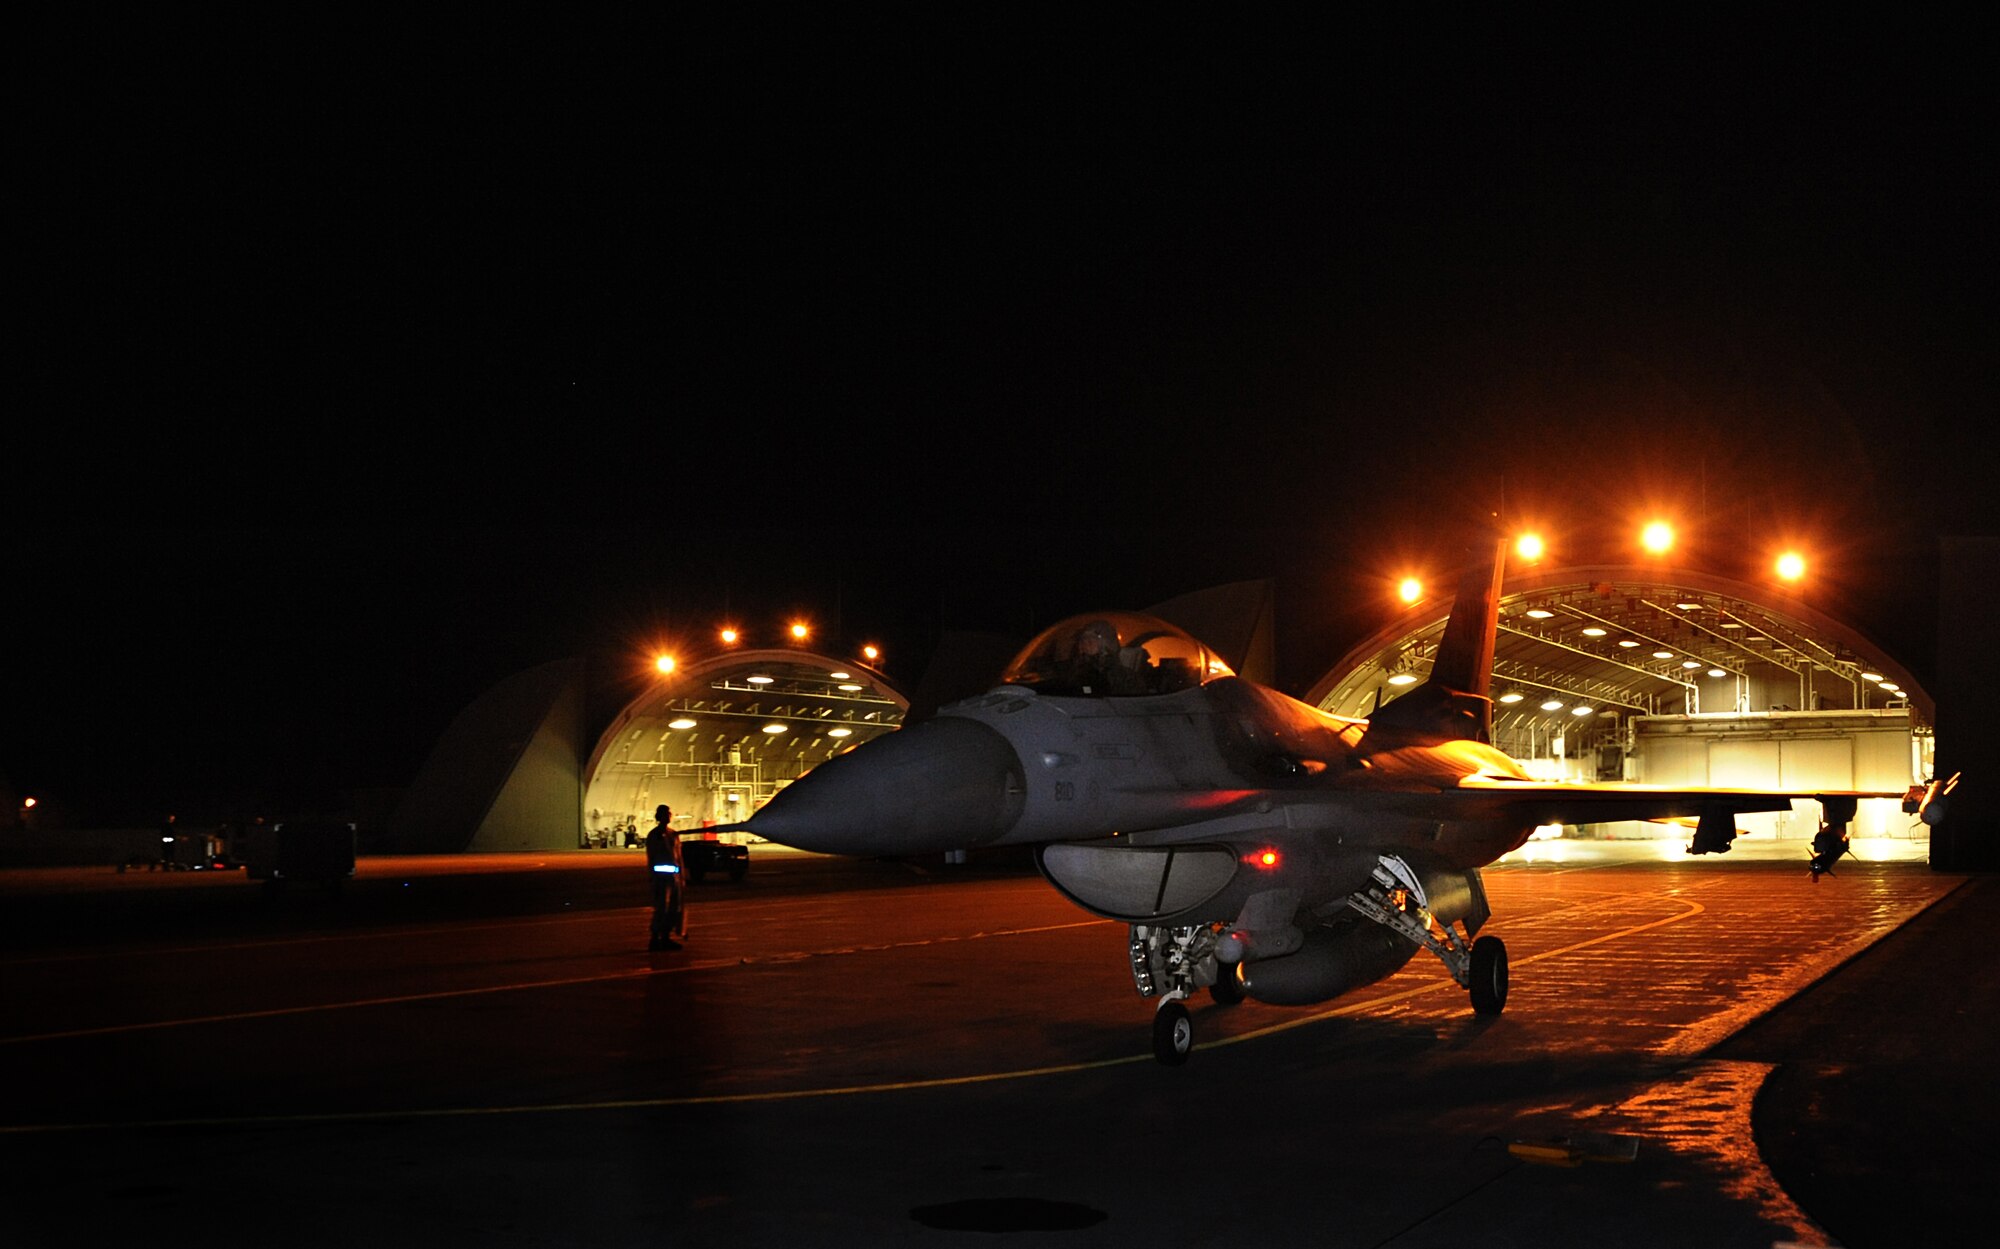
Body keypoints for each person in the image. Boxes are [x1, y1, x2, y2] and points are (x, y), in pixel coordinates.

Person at [644, 804, 687, 949]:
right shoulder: (655, 835)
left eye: (669, 813)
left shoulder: (673, 834)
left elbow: (678, 857)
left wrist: (681, 877)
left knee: (674, 907)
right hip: (661, 878)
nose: (669, 815)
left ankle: (666, 936)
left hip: (674, 877)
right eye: (666, 813)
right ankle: (655, 938)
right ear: (659, 816)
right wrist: (653, 877)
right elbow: (652, 856)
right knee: (662, 907)